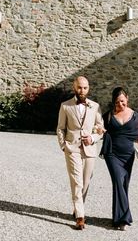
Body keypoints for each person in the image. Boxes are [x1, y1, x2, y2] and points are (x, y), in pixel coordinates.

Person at [57, 76, 105, 230]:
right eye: (79, 87)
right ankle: (80, 217)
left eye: (85, 88)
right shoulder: (65, 106)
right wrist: (63, 146)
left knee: (85, 183)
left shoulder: (95, 106)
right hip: (72, 149)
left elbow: (100, 129)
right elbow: (60, 128)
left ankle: (78, 208)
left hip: (90, 150)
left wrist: (93, 137)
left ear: (88, 88)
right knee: (77, 182)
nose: (82, 90)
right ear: (74, 87)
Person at [101, 86, 138, 231]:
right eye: (117, 102)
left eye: (122, 101)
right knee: (117, 181)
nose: (120, 105)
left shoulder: (135, 116)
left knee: (124, 184)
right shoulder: (108, 116)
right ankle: (124, 218)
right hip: (112, 154)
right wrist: (99, 131)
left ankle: (117, 218)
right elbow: (98, 129)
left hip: (128, 156)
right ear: (113, 102)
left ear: (127, 98)